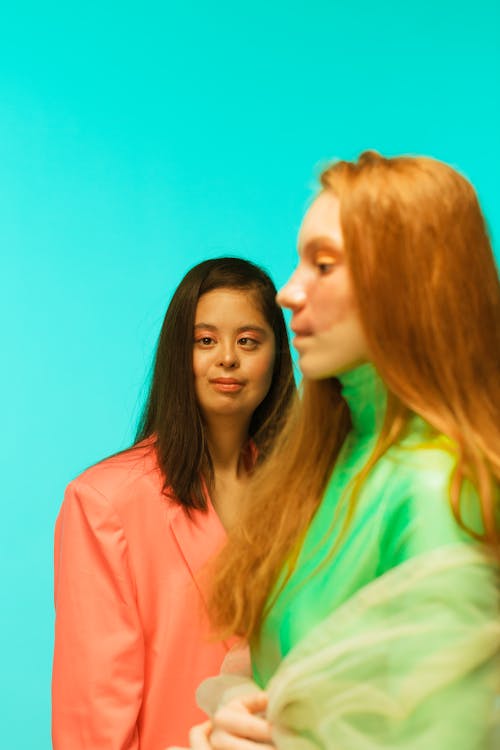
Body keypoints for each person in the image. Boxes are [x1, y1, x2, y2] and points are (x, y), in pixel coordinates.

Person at [180, 153, 500, 749]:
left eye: (323, 264)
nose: (287, 292)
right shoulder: (324, 468)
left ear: (410, 282)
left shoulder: (438, 491)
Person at [52, 257, 295, 749]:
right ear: (176, 355)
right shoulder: (104, 503)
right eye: (205, 340)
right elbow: (95, 714)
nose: (228, 357)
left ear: (278, 355)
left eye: (248, 341)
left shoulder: (304, 493)